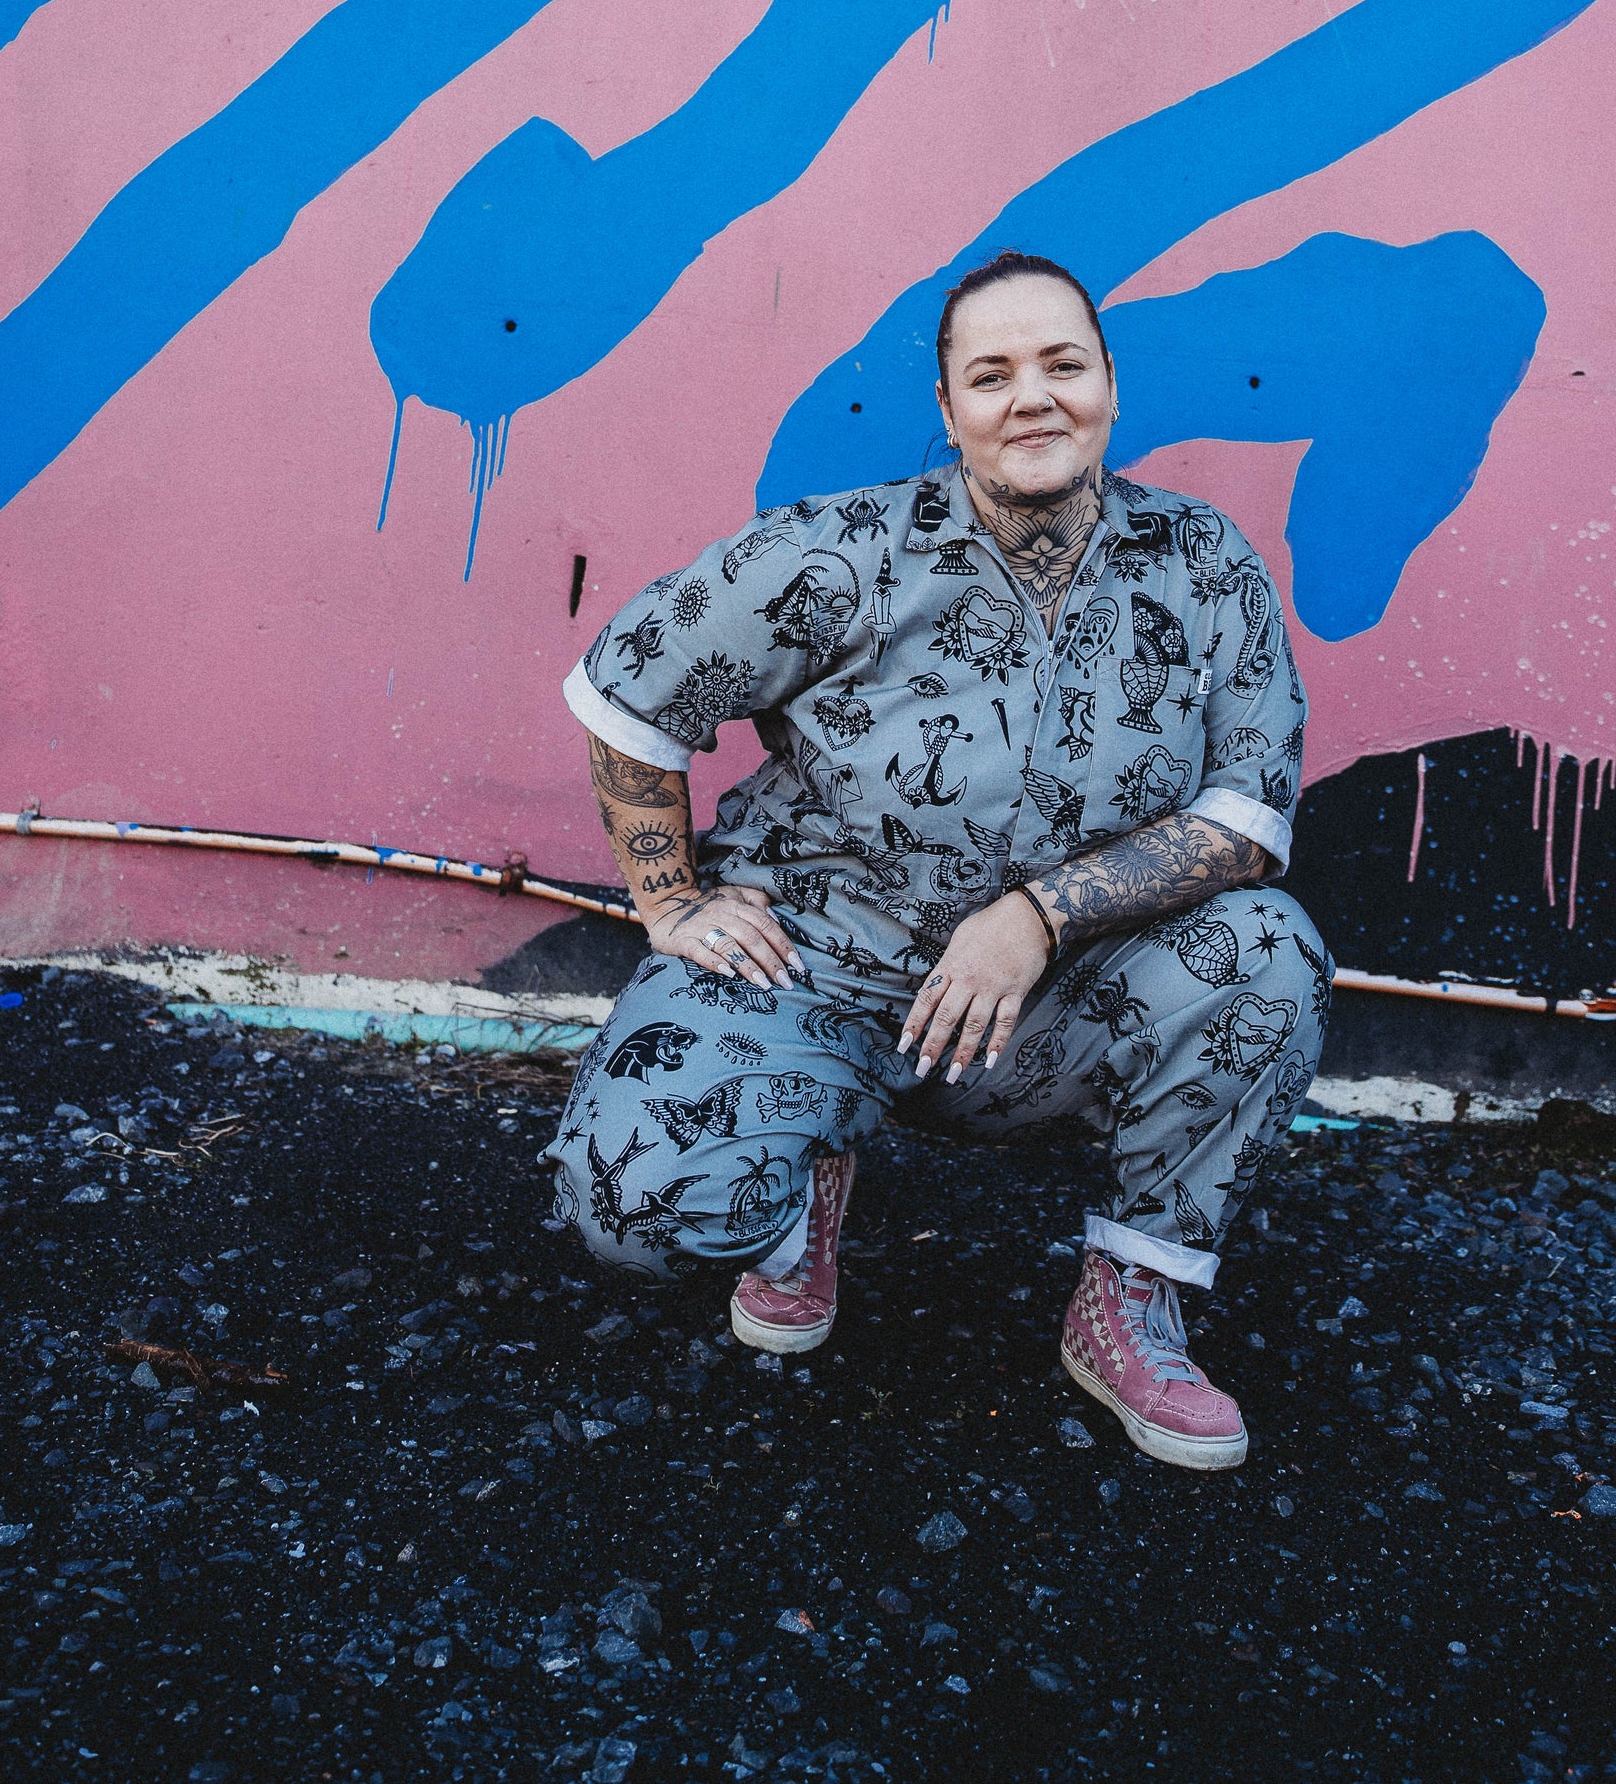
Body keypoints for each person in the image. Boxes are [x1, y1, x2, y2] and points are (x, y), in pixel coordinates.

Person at [545, 251, 1329, 1469]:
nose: (1032, 398)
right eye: (991, 374)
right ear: (948, 409)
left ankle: (1129, 1303)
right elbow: (627, 692)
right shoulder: (837, 554)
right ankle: (799, 1172)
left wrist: (1038, 916)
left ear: (1109, 385)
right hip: (811, 966)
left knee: (1270, 955)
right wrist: (668, 899)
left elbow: (1247, 814)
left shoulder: (1201, 563)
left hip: (1043, 1005)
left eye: (1062, 365)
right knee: (628, 1199)